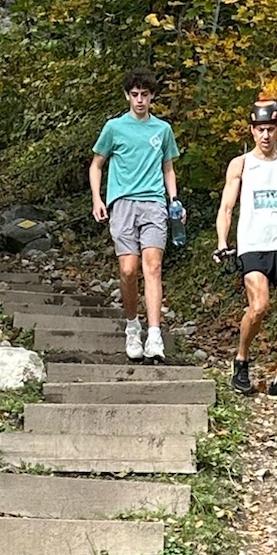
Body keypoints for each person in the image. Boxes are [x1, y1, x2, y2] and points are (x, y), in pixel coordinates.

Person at [213, 97, 277, 400]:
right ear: (252, 131)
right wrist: (222, 241)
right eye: (260, 130)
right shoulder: (241, 165)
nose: (266, 135)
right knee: (259, 305)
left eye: (271, 129)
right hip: (253, 244)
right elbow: (227, 207)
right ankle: (242, 359)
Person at [89, 68, 180, 363]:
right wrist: (97, 199)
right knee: (129, 270)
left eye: (145, 94)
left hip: (154, 203)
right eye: (135, 94)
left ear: (152, 96)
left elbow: (168, 167)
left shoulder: (162, 130)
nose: (140, 100)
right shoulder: (114, 128)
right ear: (127, 96)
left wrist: (174, 200)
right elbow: (96, 165)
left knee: (152, 267)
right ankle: (132, 326)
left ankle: (155, 335)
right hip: (122, 203)